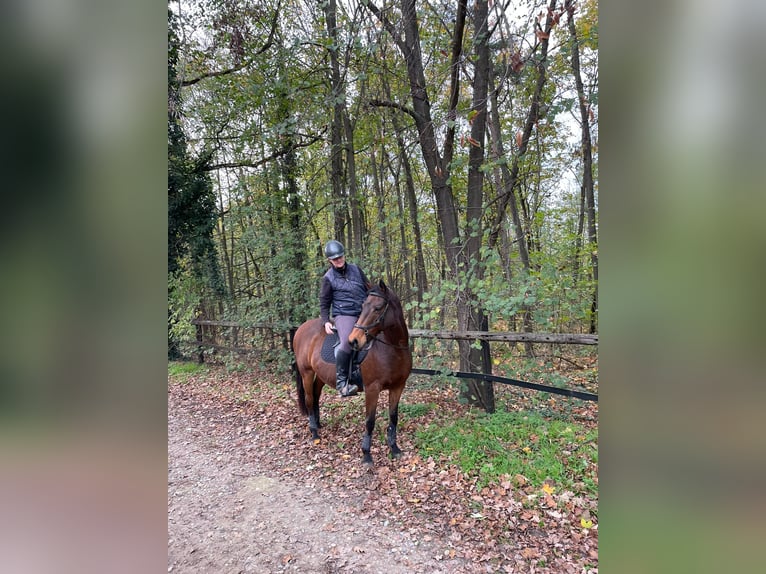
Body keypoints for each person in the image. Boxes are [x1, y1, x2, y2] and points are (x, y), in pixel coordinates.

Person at [319, 240, 369, 397]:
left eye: (340, 257)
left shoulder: (356, 270)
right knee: (347, 342)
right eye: (335, 259)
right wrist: (326, 321)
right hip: (344, 314)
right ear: (330, 260)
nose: (338, 260)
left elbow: (368, 287)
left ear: (344, 255)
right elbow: (324, 302)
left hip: (363, 312)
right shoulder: (328, 278)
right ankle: (342, 384)